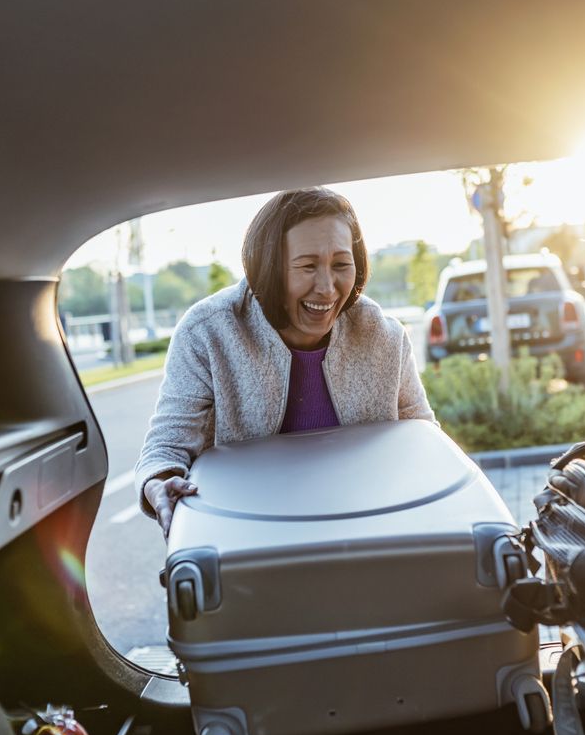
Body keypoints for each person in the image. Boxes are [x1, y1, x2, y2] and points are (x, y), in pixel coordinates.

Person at [134, 187, 436, 536]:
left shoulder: (383, 334)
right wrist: (160, 480)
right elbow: (166, 445)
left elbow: (424, 438)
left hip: (368, 531)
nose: (327, 287)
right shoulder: (207, 332)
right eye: (307, 266)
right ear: (270, 269)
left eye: (341, 265)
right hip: (249, 537)